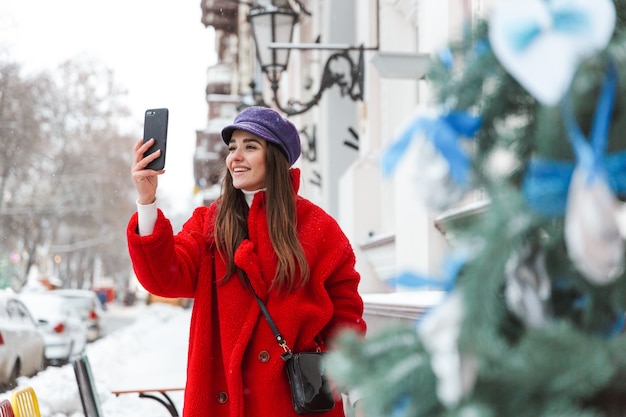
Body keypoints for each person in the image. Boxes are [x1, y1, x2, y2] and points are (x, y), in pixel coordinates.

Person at [127, 106, 367, 417]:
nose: (235, 158)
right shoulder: (209, 223)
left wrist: (359, 388)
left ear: (276, 157)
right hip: (221, 404)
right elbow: (164, 277)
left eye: (250, 147)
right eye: (232, 148)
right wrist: (147, 201)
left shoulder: (319, 229)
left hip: (295, 405)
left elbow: (346, 320)